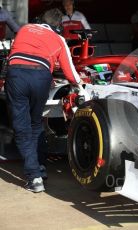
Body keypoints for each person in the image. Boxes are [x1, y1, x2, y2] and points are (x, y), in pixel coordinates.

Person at [5, 8, 82, 193]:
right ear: (58, 27)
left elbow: (17, 52)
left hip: (16, 75)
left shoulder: (24, 28)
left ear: (40, 20)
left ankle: (35, 176)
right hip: (41, 78)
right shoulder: (58, 39)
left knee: (22, 128)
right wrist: (80, 84)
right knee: (36, 123)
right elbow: (70, 74)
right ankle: (39, 168)